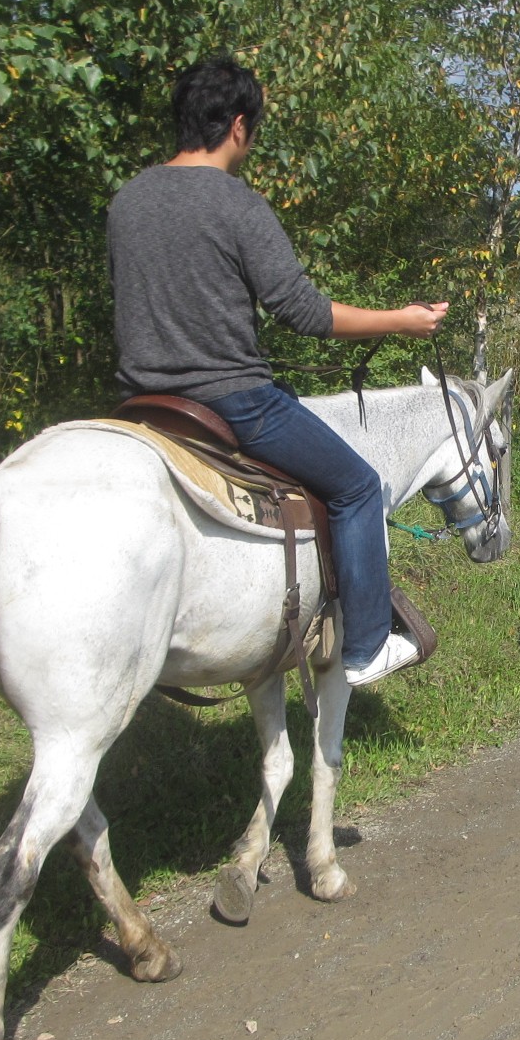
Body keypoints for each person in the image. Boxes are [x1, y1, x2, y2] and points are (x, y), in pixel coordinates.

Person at [106, 56, 447, 687]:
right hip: (232, 404)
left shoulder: (128, 200)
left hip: (140, 407)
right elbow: (305, 313)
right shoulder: (237, 203)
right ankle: (367, 644)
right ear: (238, 126)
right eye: (252, 128)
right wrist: (402, 320)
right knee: (357, 486)